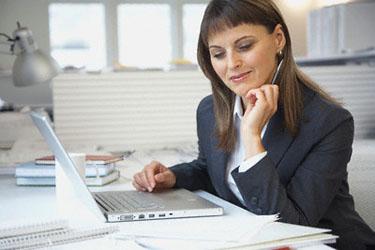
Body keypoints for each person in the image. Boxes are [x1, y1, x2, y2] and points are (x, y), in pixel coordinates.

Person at [132, 0, 375, 249]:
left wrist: (251, 135)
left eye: (245, 46)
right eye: (218, 53)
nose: (231, 63)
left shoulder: (329, 122)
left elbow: (292, 225)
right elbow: (210, 168)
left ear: (278, 39)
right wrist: (173, 176)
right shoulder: (210, 110)